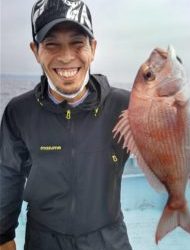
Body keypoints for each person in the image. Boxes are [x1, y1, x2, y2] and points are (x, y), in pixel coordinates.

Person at [0, 0, 133, 249]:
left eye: (77, 43)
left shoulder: (126, 105)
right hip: (43, 239)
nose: (66, 56)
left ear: (93, 48)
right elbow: (8, 174)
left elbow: (167, 146)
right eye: (51, 44)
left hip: (108, 239)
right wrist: (3, 234)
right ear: (35, 50)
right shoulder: (18, 111)